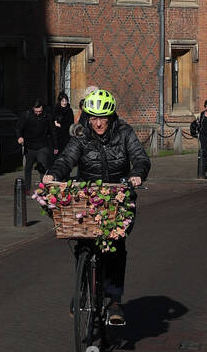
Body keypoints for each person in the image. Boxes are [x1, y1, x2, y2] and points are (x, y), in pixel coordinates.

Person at [44, 89, 151, 327]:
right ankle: (82, 289)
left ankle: (114, 300)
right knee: (83, 240)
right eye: (93, 117)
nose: (98, 123)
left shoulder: (124, 133)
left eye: (103, 117)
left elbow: (140, 157)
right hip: (89, 198)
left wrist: (136, 175)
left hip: (118, 197)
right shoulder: (82, 136)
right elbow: (66, 159)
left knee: (115, 245)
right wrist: (53, 174)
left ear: (111, 116)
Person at [16, 97, 54, 193]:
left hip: (42, 145)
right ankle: (27, 188)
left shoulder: (46, 115)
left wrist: (55, 145)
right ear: (33, 108)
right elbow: (19, 128)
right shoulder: (27, 115)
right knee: (28, 167)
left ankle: (43, 188)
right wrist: (19, 137)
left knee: (43, 167)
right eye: (36, 111)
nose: (38, 113)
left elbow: (52, 131)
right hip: (30, 146)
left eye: (40, 111)